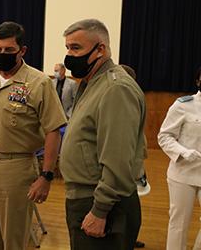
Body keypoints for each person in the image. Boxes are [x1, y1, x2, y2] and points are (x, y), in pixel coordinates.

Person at [0, 21, 67, 250]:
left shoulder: (39, 83)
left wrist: (46, 177)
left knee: (13, 240)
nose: (2, 54)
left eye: (9, 50)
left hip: (16, 168)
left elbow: (53, 131)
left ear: (22, 51)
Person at [59, 19, 147, 250]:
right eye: (67, 48)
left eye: (76, 48)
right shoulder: (92, 84)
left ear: (101, 49)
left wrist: (100, 210)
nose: (69, 55)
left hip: (102, 204)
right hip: (86, 199)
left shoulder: (115, 88)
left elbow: (118, 160)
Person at [157, 66, 201, 250]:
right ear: (199, 81)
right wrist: (183, 151)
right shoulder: (184, 105)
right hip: (184, 173)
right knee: (180, 222)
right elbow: (164, 136)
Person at [121, 64, 150, 249]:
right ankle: (124, 239)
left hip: (134, 159)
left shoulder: (134, 97)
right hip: (122, 160)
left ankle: (129, 238)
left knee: (131, 203)